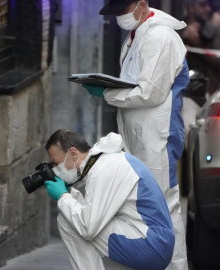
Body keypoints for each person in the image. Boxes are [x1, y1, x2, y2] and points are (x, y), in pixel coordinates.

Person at [82, 1, 189, 269]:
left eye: (122, 10)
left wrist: (107, 93)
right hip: (144, 133)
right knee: (151, 205)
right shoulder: (138, 34)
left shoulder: (160, 36)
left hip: (157, 136)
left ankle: (175, 266)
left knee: (164, 205)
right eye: (116, 13)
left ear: (142, 4)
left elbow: (150, 92)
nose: (120, 17)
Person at [44, 129, 175, 270]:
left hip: (151, 247)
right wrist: (68, 192)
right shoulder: (108, 161)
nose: (55, 170)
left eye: (55, 164)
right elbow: (91, 214)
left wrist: (63, 197)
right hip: (152, 242)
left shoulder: (103, 169)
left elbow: (87, 227)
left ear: (73, 154)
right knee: (78, 217)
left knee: (68, 220)